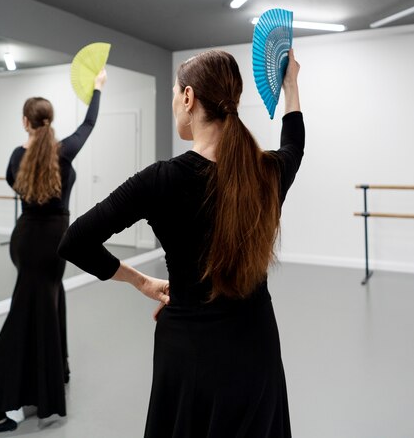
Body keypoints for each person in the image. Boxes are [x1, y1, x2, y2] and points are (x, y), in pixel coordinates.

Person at [58, 49, 304, 438]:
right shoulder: (268, 172)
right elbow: (295, 144)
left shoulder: (161, 180)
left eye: (175, 92)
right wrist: (290, 84)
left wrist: (141, 282)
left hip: (188, 349)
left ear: (188, 98)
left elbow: (75, 241)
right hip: (255, 345)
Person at [0, 69, 107, 433]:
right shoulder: (65, 151)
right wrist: (97, 88)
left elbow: (15, 183)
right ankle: (7, 398)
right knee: (36, 308)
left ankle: (53, 372)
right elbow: (89, 124)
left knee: (46, 302)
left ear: (26, 122)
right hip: (55, 243)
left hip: (25, 241)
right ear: (50, 120)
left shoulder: (17, 156)